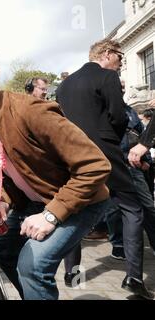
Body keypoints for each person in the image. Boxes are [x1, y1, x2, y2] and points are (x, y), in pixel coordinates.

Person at [0, 40, 111, 300]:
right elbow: (14, 172)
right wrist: (3, 202)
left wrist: (50, 216)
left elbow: (95, 165)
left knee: (33, 265)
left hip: (81, 201)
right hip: (34, 204)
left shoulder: (31, 110)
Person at [57, 39, 153, 299]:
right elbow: (119, 116)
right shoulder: (107, 76)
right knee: (132, 209)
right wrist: (113, 138)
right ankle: (133, 277)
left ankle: (71, 272)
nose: (120, 63)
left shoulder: (64, 85)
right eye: (120, 57)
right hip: (106, 154)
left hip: (72, 156)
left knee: (76, 211)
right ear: (108, 54)